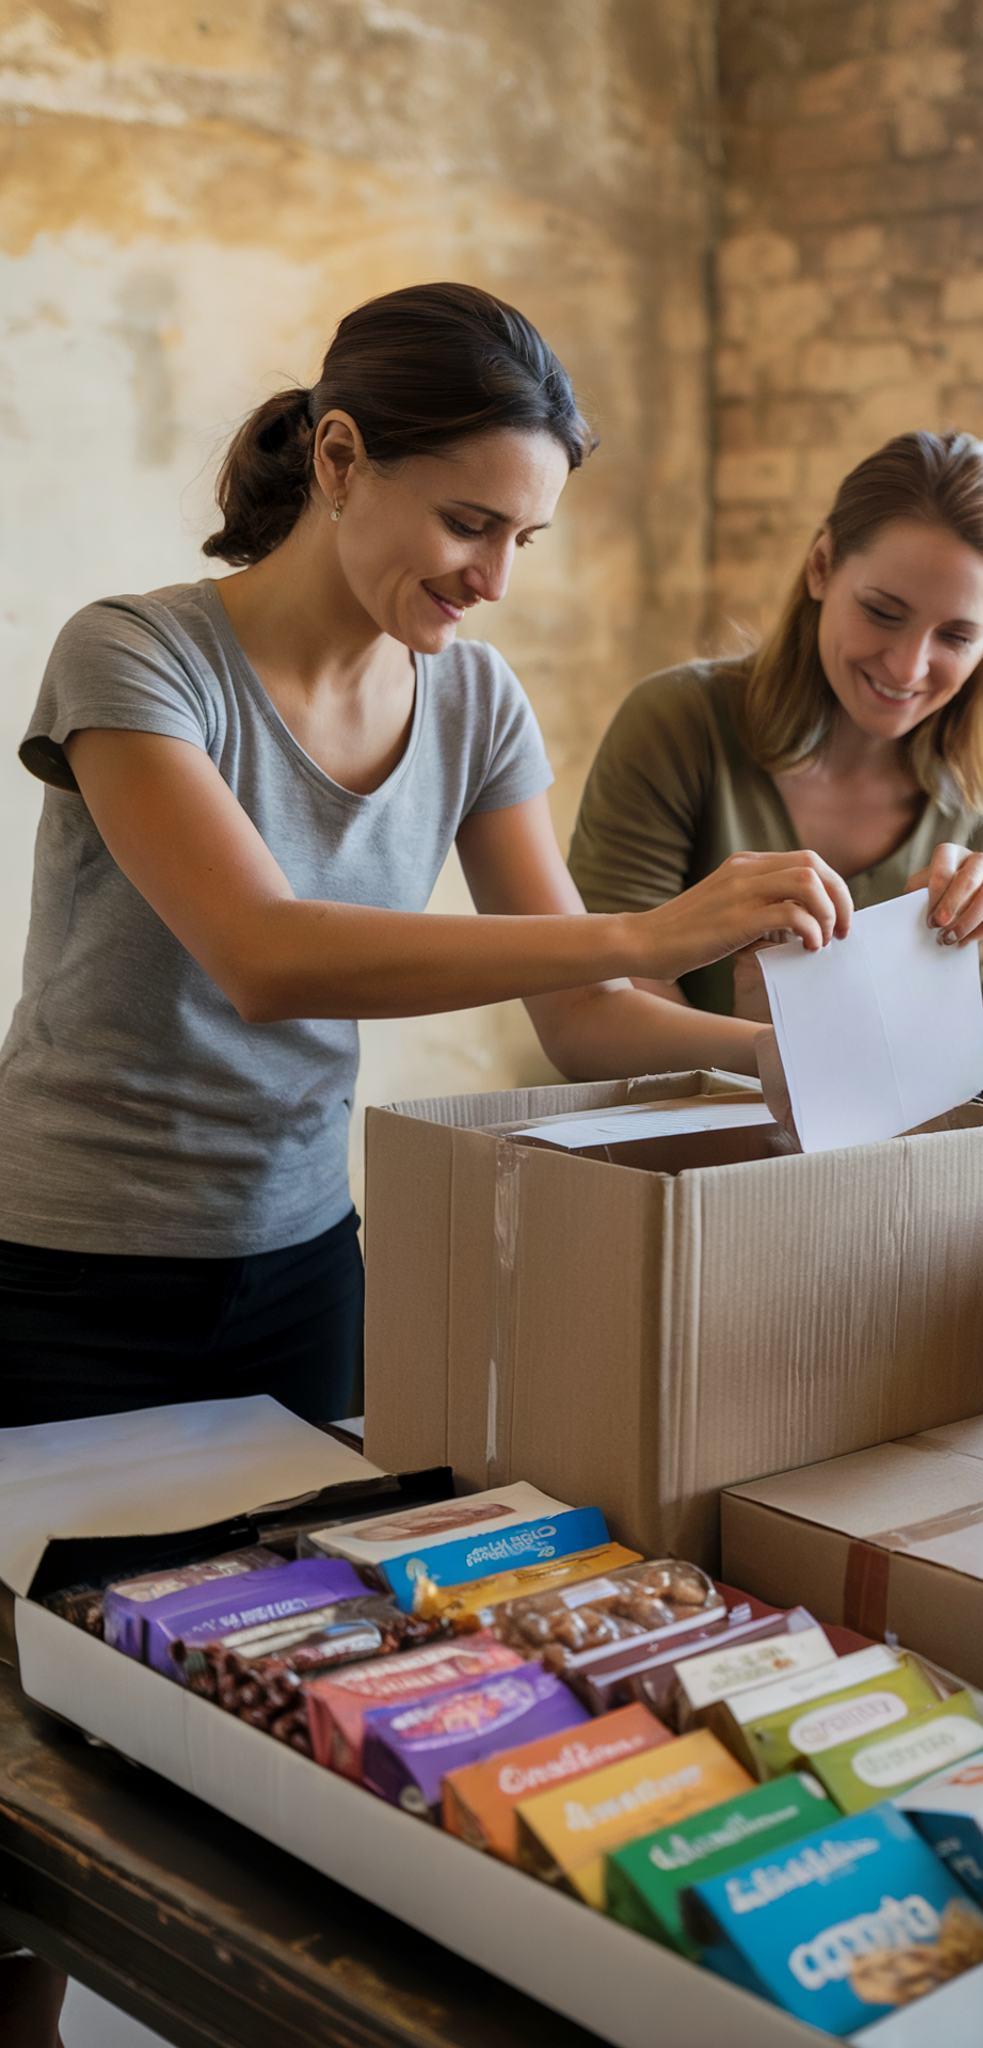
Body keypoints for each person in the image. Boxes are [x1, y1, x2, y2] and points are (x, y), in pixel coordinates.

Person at [0, 283, 854, 1437]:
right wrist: (655, 932)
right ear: (340, 461)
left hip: (303, 1259)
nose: (494, 579)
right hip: (65, 1268)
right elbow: (265, 954)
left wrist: (785, 1059)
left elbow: (584, 1015)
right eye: (468, 523)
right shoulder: (135, 655)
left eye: (524, 539)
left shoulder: (474, 701)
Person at [567, 431, 983, 1018]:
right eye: (882, 613)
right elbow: (602, 1005)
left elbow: (926, 1043)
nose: (907, 667)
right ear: (820, 567)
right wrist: (774, 1053)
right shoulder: (678, 724)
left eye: (957, 636)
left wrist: (940, 951)